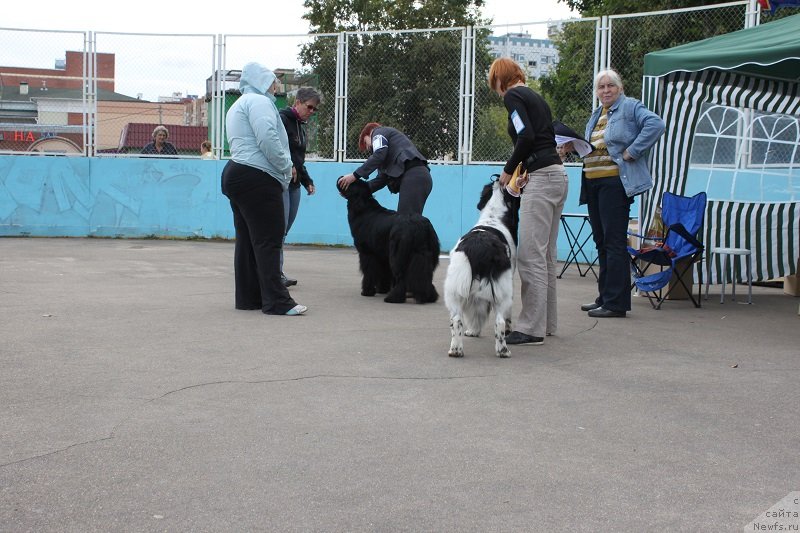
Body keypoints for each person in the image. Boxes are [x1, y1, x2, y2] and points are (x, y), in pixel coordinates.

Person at [489, 57, 568, 347]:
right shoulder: (536, 97)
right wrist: (524, 173)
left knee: (530, 256)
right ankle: (546, 323)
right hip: (557, 175)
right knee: (546, 256)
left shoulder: (513, 95)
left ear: (500, 79)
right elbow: (540, 139)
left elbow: (525, 136)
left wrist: (508, 171)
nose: (496, 90)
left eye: (494, 83)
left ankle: (530, 328)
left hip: (543, 179)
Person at [220, 62, 306, 316]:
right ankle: (277, 302)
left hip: (237, 173)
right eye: (271, 80)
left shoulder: (239, 103)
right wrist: (286, 165)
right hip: (257, 176)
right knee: (269, 239)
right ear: (260, 81)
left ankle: (249, 298)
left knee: (248, 241)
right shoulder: (259, 102)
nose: (276, 86)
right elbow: (267, 136)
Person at [579, 68, 665, 318]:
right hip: (593, 183)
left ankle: (616, 303)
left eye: (610, 86)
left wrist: (633, 151)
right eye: (601, 87)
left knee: (614, 242)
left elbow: (656, 124)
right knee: (601, 241)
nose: (605, 91)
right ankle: (604, 296)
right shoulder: (597, 114)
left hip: (615, 184)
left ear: (620, 88)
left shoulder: (630, 107)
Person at [337, 123, 432, 215]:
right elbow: (381, 180)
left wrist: (355, 175)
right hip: (418, 177)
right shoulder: (387, 155)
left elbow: (379, 154)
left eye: (365, 143)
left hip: (414, 175)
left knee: (405, 222)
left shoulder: (378, 132)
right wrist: (355, 193)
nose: (369, 148)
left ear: (368, 134)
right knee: (408, 223)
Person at [278, 87, 320, 287]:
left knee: (284, 229)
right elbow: (276, 148)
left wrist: (307, 181)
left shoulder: (301, 126)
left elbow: (299, 160)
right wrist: (288, 165)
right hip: (281, 182)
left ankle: (277, 271)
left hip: (294, 185)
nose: (311, 112)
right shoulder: (282, 119)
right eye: (309, 107)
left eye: (315, 109)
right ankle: (274, 273)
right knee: (277, 229)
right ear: (297, 102)